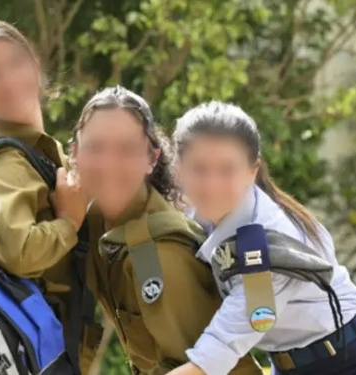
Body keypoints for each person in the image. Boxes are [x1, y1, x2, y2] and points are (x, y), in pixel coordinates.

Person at [167, 101, 356, 375]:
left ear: (252, 172)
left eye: (227, 170)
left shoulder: (265, 245)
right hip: (291, 365)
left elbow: (216, 354)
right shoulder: (202, 209)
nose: (212, 185)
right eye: (199, 169)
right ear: (179, 169)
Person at [71, 87, 261, 375]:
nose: (108, 164)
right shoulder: (94, 222)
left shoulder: (157, 253)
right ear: (75, 153)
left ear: (151, 159)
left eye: (126, 150)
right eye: (95, 148)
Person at [0, 19, 94, 371]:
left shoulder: (35, 150)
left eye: (16, 63)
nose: (9, 80)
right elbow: (18, 251)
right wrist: (69, 221)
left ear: (35, 65)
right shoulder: (8, 162)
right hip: (38, 356)